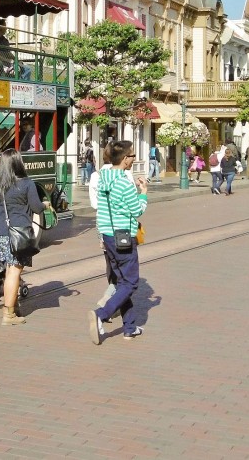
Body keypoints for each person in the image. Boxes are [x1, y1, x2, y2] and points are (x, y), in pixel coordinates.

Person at [88, 140, 147, 344]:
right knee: (130, 283)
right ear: (124, 159)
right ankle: (101, 314)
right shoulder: (124, 183)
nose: (134, 159)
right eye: (132, 156)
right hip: (123, 236)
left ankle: (129, 327)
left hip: (107, 235)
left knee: (122, 282)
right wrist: (144, 193)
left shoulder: (102, 178)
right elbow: (137, 210)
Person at [0, 149, 44, 325]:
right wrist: (45, 205)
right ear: (18, 163)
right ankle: (8, 314)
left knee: (10, 269)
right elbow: (37, 208)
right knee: (15, 271)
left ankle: (13, 307)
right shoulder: (27, 184)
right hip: (18, 234)